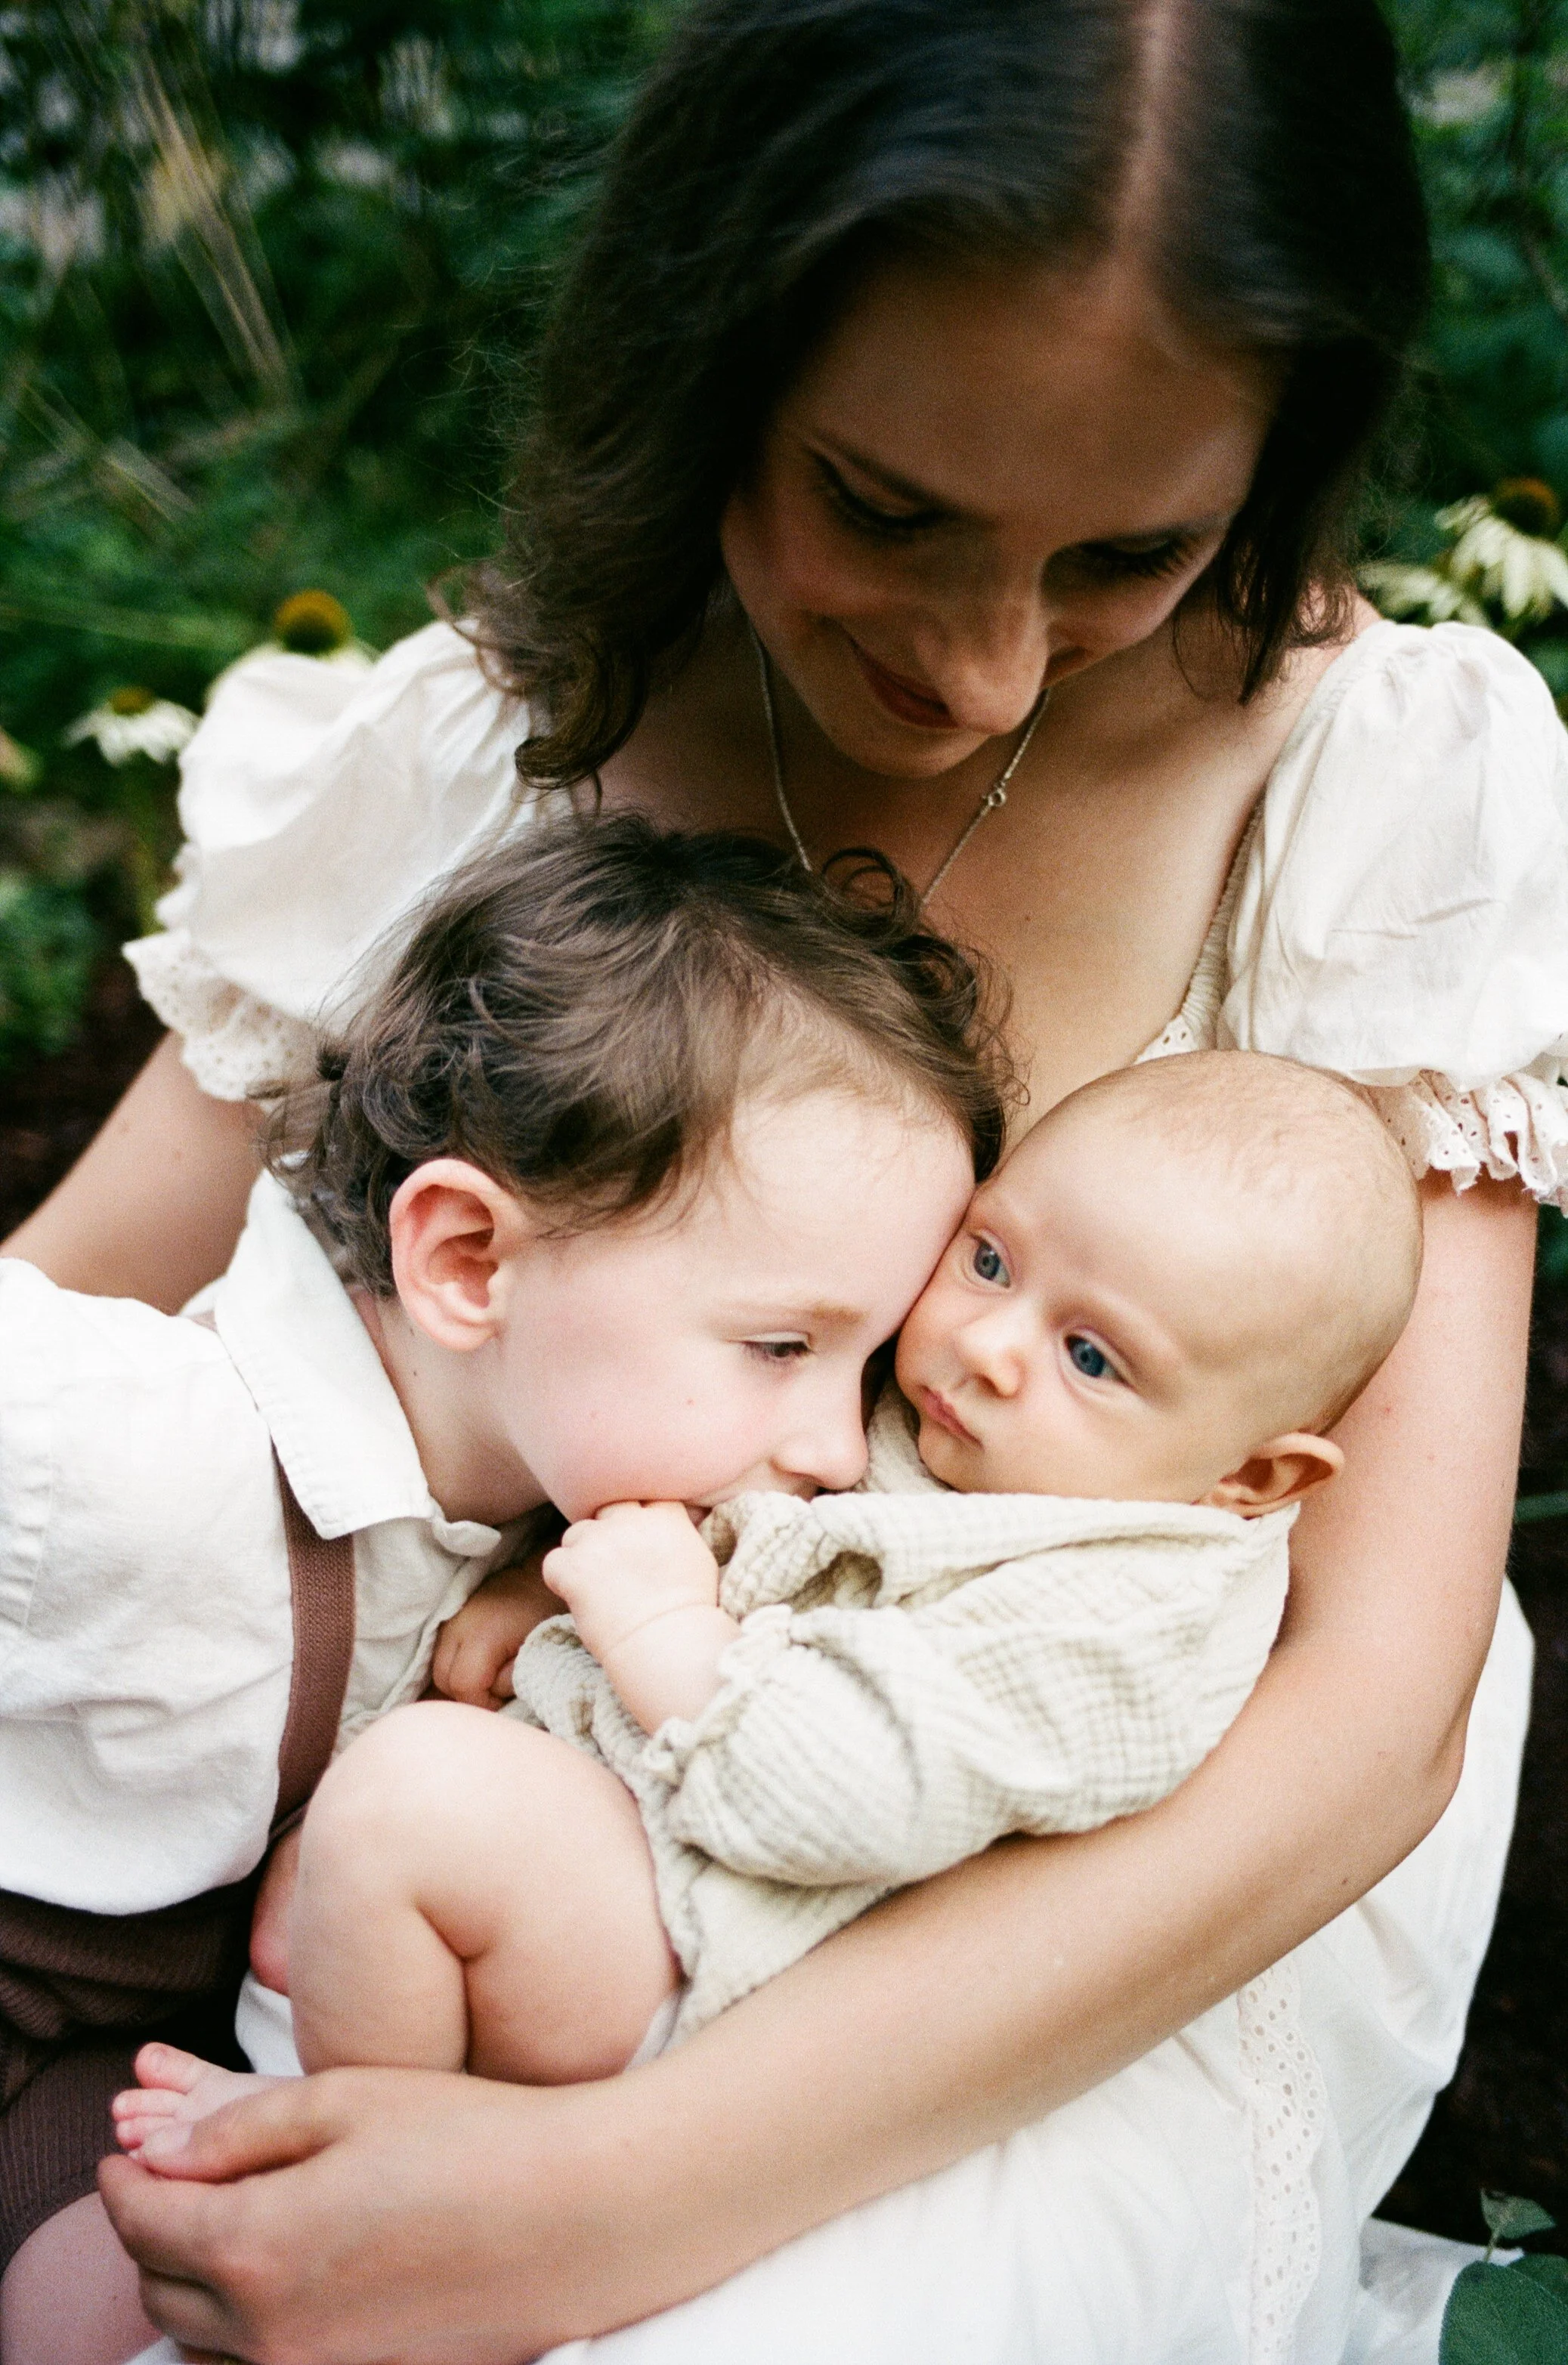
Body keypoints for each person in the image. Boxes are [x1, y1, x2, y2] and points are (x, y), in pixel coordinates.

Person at [2, 0, 1563, 2356]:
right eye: (885, 508)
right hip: (542, 1798)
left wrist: (596, 2202)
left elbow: (1369, 1713)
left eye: (1129, 547)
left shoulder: (1380, 784)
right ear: (702, 355)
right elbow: (70, 1329)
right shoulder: (493, 739)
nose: (976, 664)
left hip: (1107, 1883)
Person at [115, 1056, 1418, 2263]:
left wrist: (659, 1631)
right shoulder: (972, 1420)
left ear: (1251, 1476)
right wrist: (549, 1576)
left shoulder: (1130, 1623)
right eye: (987, 1257)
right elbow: (731, 1496)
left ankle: (370, 2172)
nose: (989, 1344)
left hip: (720, 1959)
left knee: (411, 1803)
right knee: (329, 1879)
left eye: (1090, 1355)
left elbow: (848, 1791)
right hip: (624, 1846)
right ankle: (322, 2073)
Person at [0, 815, 997, 2365]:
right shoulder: (143, 1452)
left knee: (123, 2296)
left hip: (105, 2057)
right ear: (467, 1259)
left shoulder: (556, 1493)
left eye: (866, 1366)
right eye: (783, 1346)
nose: (832, 1445)